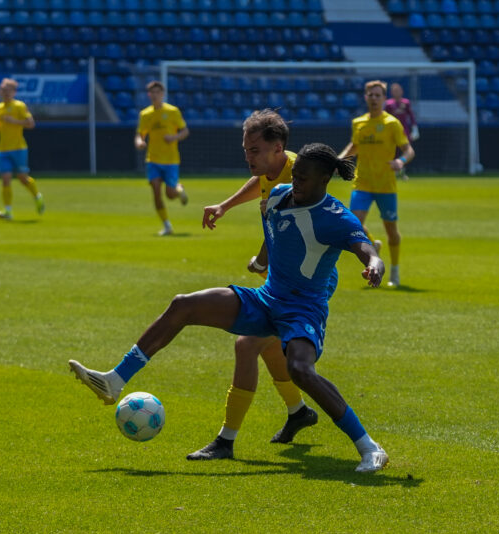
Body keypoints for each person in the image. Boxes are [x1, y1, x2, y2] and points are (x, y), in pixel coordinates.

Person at [68, 143, 390, 473]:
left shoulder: (335, 216)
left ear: (325, 179)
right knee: (183, 305)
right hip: (266, 300)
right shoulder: (279, 196)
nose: (296, 183)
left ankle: (369, 447)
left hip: (303, 310)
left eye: (304, 179)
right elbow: (277, 231)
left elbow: (365, 248)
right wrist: (261, 260)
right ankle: (114, 380)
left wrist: (374, 266)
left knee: (301, 370)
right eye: (294, 176)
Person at [191, 109, 320, 461]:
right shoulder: (273, 169)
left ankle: (225, 441)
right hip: (281, 281)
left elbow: (285, 229)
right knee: (266, 348)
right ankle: (298, 412)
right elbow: (261, 184)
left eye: (254, 150)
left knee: (247, 345)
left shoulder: (298, 177)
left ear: (278, 149)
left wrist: (262, 259)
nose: (247, 157)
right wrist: (226, 205)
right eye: (245, 149)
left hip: (299, 286)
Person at [340, 80, 415, 288]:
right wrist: (338, 160)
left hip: (385, 185)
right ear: (365, 97)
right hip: (362, 182)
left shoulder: (392, 123)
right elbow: (355, 146)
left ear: (384, 99)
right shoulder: (359, 123)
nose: (373, 98)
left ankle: (395, 272)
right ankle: (373, 245)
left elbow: (409, 150)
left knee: (392, 231)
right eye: (370, 95)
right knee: (353, 223)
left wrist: (400, 161)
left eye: (377, 95)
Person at [0, 78, 44, 221]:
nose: (4, 92)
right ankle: (8, 211)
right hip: (2, 149)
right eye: (3, 90)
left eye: (7, 90)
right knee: (5, 179)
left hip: (18, 148)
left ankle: (37, 196)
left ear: (13, 92)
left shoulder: (19, 106)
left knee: (23, 178)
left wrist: (14, 121)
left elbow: (30, 124)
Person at [136, 81, 189, 236]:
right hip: (153, 159)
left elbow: (185, 131)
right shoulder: (145, 114)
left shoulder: (172, 111)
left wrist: (174, 137)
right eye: (152, 92)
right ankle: (167, 225)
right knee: (156, 191)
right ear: (149, 95)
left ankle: (179, 189)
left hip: (171, 160)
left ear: (162, 94)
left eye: (158, 92)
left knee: (170, 194)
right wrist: (139, 141)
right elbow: (140, 134)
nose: (155, 95)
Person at [385, 82, 419, 180]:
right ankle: (393, 171)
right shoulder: (388, 104)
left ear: (402, 91)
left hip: (404, 132)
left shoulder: (406, 102)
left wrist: (415, 128)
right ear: (391, 92)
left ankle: (402, 171)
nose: (397, 92)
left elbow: (411, 116)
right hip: (391, 133)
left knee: (406, 151)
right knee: (392, 152)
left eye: (398, 90)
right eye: (395, 91)